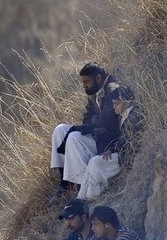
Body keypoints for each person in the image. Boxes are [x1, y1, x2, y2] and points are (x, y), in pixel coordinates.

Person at [48, 62, 120, 202]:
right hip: (98, 135)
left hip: (108, 142)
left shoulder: (112, 89)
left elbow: (106, 121)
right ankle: (64, 184)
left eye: (86, 82)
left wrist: (88, 127)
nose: (84, 86)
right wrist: (88, 126)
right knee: (60, 130)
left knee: (74, 137)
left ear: (98, 78)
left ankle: (83, 185)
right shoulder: (95, 91)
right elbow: (88, 118)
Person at [78, 85, 144, 201]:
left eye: (116, 103)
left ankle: (92, 196)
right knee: (93, 161)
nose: (114, 107)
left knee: (96, 163)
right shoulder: (123, 116)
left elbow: (130, 140)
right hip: (121, 152)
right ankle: (81, 197)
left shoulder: (135, 116)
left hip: (128, 156)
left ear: (126, 102)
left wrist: (113, 149)